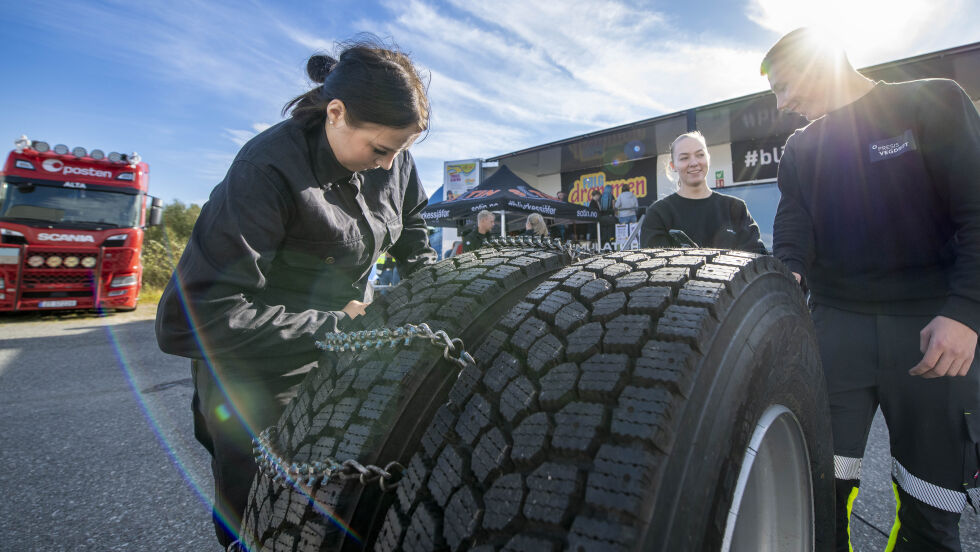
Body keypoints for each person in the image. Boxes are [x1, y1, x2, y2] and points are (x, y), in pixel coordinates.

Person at [153, 38, 437, 548]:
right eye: (380, 150)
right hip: (255, 374)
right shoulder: (265, 170)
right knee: (260, 518)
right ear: (336, 112)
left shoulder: (393, 160)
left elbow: (413, 230)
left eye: (401, 153)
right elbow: (189, 320)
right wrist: (340, 325)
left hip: (341, 348)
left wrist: (436, 293)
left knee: (343, 503)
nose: (389, 166)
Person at [763, 28, 980, 551]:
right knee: (820, 492)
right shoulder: (801, 147)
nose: (784, 103)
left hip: (934, 326)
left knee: (933, 503)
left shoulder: (933, 102)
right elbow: (793, 230)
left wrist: (967, 311)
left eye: (786, 86)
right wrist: (785, 277)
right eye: (776, 93)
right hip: (836, 325)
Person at [640, 131, 767, 253]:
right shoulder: (659, 214)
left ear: (708, 158)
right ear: (673, 166)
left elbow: (757, 260)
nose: (694, 163)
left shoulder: (736, 208)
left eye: (700, 155)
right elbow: (654, 268)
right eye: (684, 158)